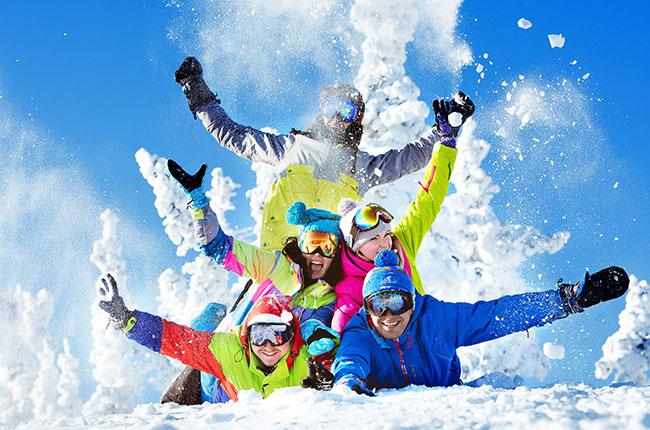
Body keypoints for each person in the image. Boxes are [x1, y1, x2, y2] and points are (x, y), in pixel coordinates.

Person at [174, 56, 475, 251]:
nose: (337, 119)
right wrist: (197, 93)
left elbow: (410, 158)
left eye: (348, 112)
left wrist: (445, 130)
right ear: (321, 112)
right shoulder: (288, 148)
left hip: (328, 270)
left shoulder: (361, 166)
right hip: (278, 263)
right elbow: (232, 134)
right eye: (333, 109)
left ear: (356, 121)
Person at [325, 250, 629, 396]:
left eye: (398, 303)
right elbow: (350, 360)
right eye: (379, 305)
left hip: (447, 408)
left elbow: (495, 315)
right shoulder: (360, 331)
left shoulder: (436, 319)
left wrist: (563, 301)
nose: (389, 316)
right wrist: (348, 383)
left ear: (412, 302)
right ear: (367, 308)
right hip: (390, 418)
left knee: (499, 386)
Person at [163, 160, 345, 403]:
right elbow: (219, 247)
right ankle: (206, 324)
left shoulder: (333, 297)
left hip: (265, 390)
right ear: (301, 245)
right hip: (226, 374)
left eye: (327, 245)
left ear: (338, 252)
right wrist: (199, 204)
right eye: (312, 243)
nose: (318, 253)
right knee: (209, 325)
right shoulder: (276, 267)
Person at [330, 97, 464, 332]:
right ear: (355, 248)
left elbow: (429, 199)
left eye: (385, 234)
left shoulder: (402, 245)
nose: (384, 243)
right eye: (372, 239)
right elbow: (345, 341)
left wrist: (447, 143)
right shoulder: (350, 289)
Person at [97, 275, 313, 402]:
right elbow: (177, 340)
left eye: (278, 335)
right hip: (212, 390)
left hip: (233, 387)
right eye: (259, 336)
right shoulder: (230, 351)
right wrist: (128, 320)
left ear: (292, 335)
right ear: (247, 338)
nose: (268, 346)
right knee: (202, 338)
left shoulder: (307, 361)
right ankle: (213, 312)